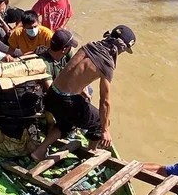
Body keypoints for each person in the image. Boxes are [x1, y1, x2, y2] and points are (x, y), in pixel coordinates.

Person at [30, 26, 136, 162]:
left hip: (51, 94)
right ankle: (91, 153)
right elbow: (105, 101)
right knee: (99, 121)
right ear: (120, 47)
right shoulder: (106, 63)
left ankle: (39, 151)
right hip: (65, 101)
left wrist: (80, 90)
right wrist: (105, 130)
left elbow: (73, 72)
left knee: (66, 121)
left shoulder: (90, 46)